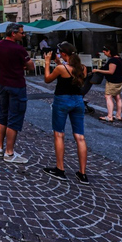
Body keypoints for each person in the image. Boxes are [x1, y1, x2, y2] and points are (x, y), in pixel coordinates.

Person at [43, 42, 89, 184]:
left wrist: (46, 63)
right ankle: (82, 173)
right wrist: (59, 61)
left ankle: (60, 169)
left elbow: (47, 79)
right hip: (78, 102)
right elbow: (73, 74)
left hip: (62, 101)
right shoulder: (83, 68)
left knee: (59, 134)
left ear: (63, 54)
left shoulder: (60, 68)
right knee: (80, 137)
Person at [0, 22, 34, 164]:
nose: (23, 35)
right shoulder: (19, 49)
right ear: (13, 33)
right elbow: (31, 67)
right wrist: (21, 65)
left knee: (3, 115)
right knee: (14, 118)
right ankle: (9, 153)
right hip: (16, 85)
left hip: (2, 84)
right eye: (22, 33)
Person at [94, 46, 122, 121]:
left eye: (105, 52)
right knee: (117, 97)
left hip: (113, 81)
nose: (105, 54)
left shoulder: (113, 60)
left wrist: (98, 70)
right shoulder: (119, 58)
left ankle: (109, 116)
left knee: (108, 96)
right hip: (119, 80)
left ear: (109, 51)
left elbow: (111, 72)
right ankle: (118, 115)